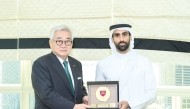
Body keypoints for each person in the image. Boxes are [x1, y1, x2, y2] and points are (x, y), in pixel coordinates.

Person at [95, 24, 157, 109]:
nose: (121, 39)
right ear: (112, 39)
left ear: (130, 37)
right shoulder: (102, 64)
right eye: (117, 35)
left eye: (124, 34)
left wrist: (131, 104)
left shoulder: (144, 62)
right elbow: (99, 96)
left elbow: (152, 93)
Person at [31, 24, 91, 109]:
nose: (63, 45)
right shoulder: (40, 64)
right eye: (59, 41)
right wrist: (73, 107)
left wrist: (84, 96)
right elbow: (46, 95)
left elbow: (79, 87)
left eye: (67, 41)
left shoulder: (77, 64)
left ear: (72, 43)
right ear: (51, 43)